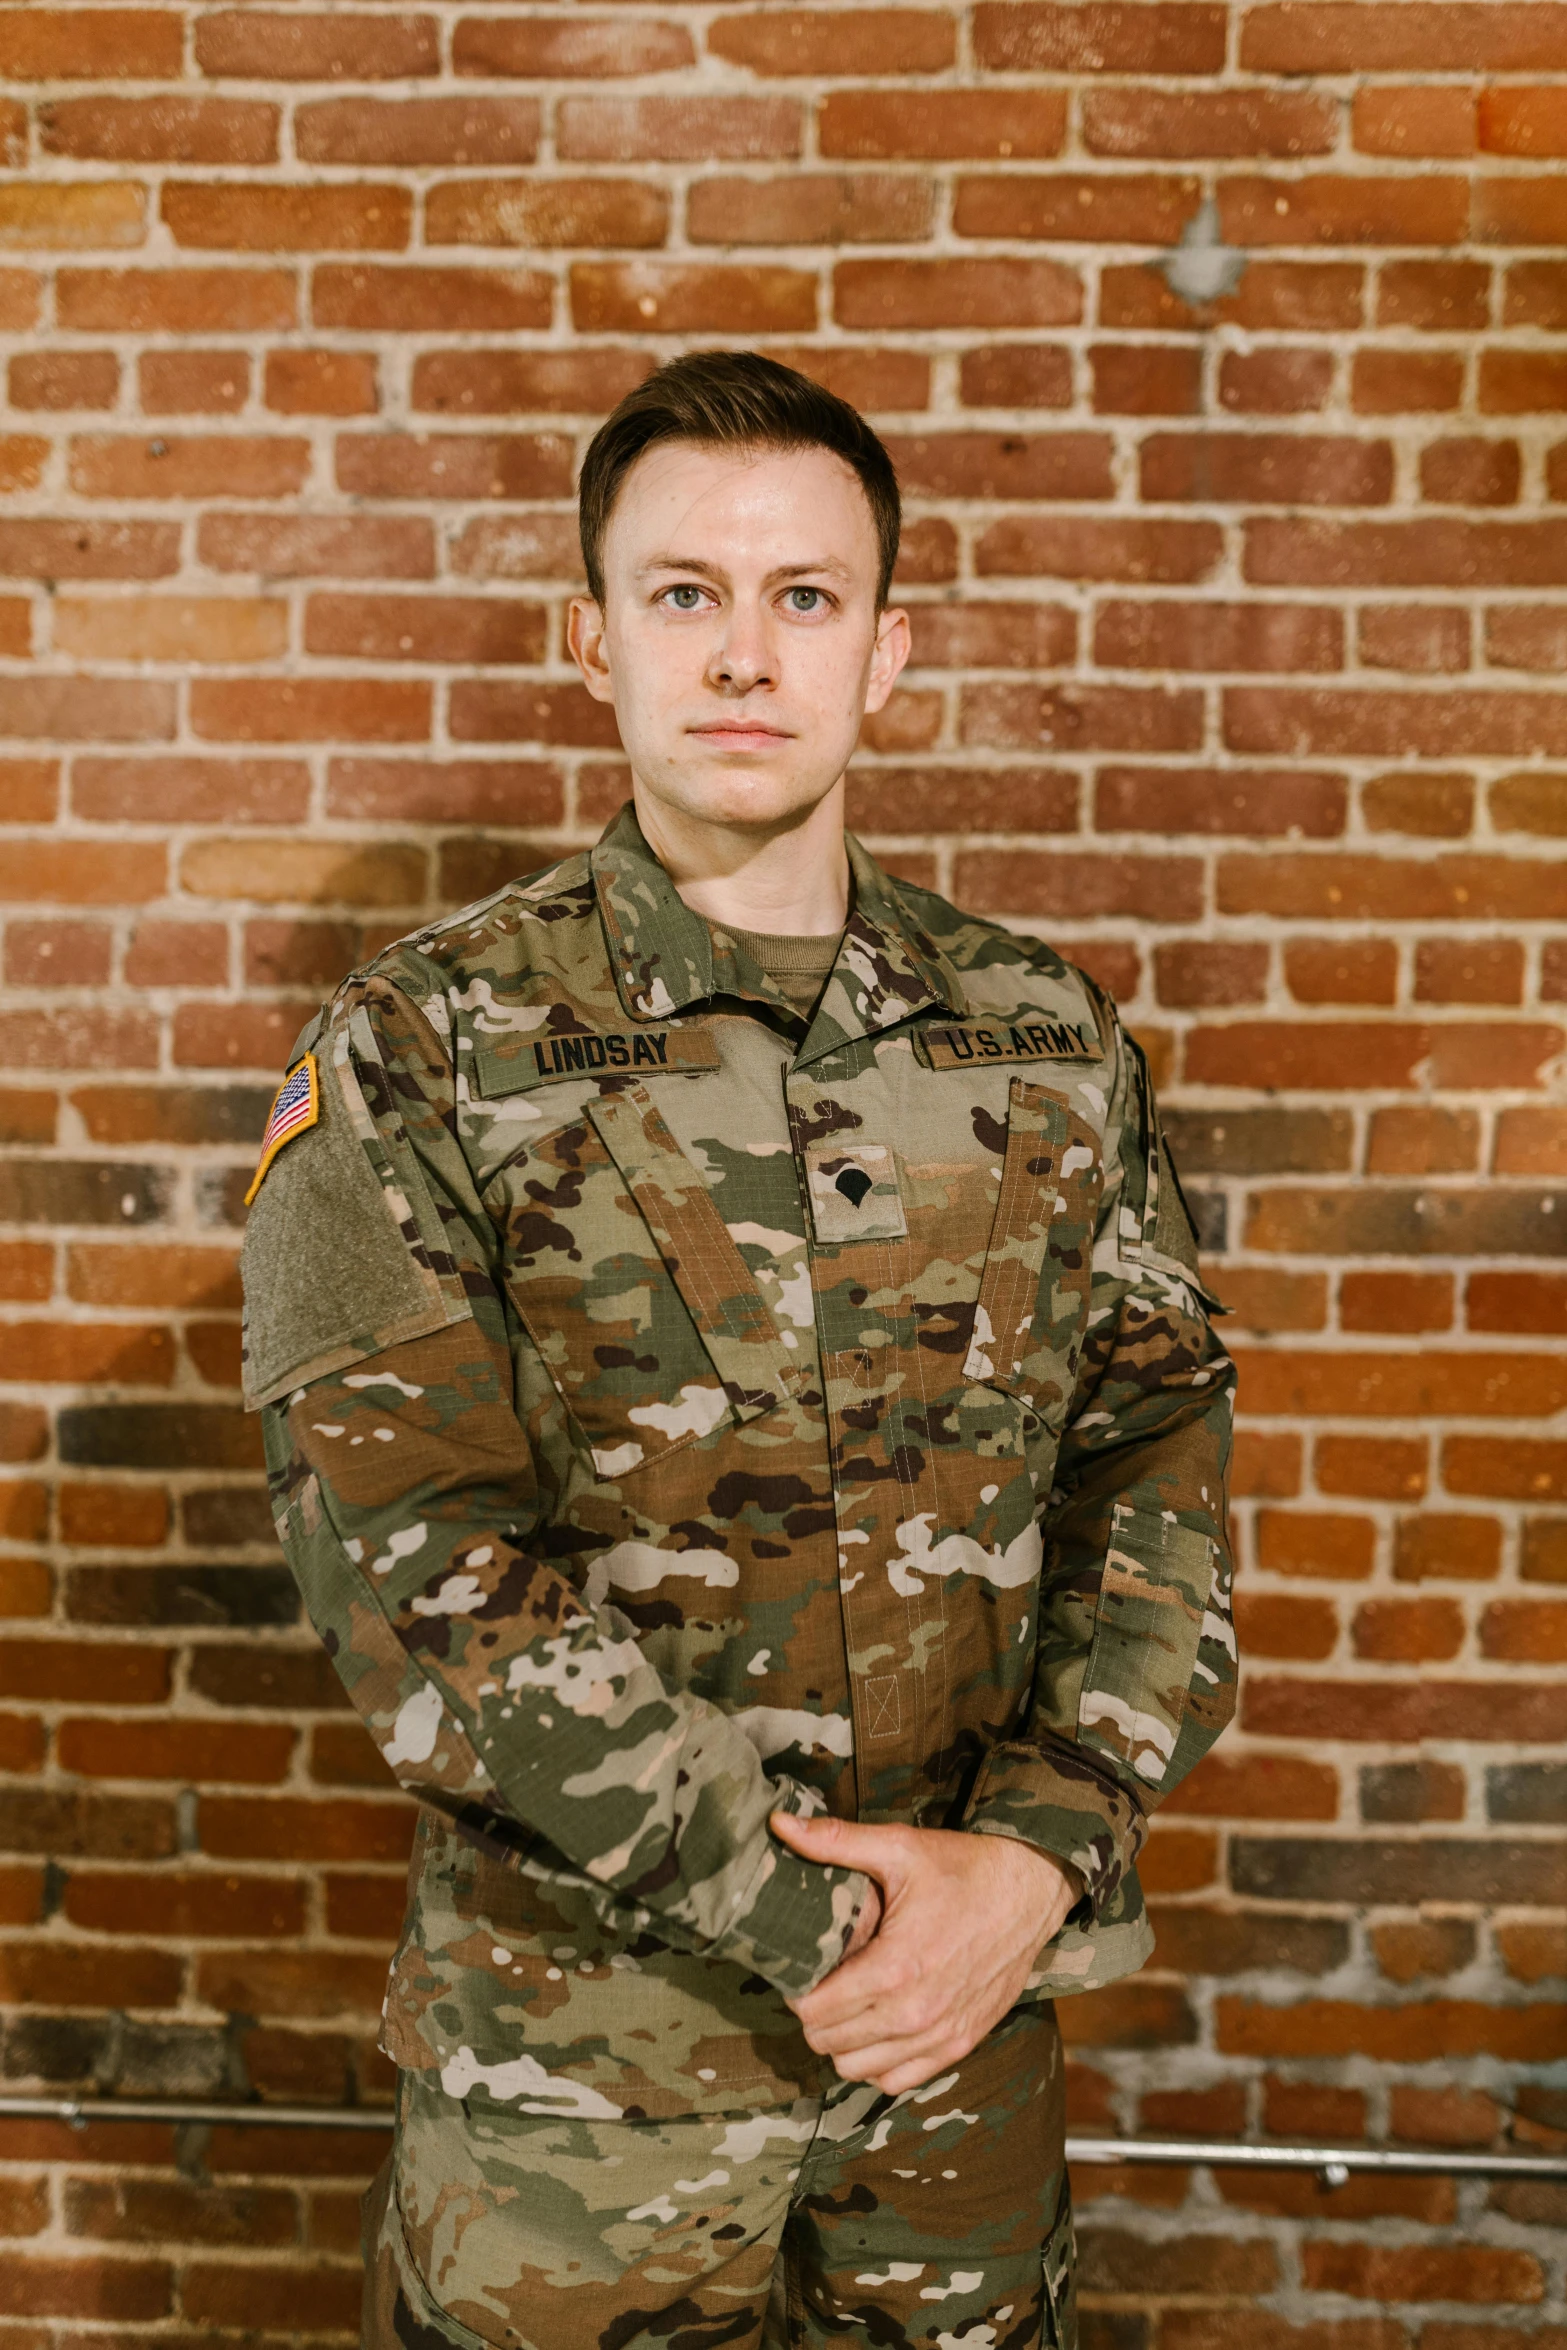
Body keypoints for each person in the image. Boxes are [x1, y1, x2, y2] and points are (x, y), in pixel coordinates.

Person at [240, 351, 1237, 2350]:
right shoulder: (411, 1051)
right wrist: (829, 1924)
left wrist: (1034, 1871)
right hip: (579, 2113)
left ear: (889, 651)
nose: (742, 654)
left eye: (806, 595)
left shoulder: (1046, 1035)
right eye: (684, 592)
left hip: (955, 2076)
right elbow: (414, 1569)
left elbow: (1162, 1475)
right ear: (589, 633)